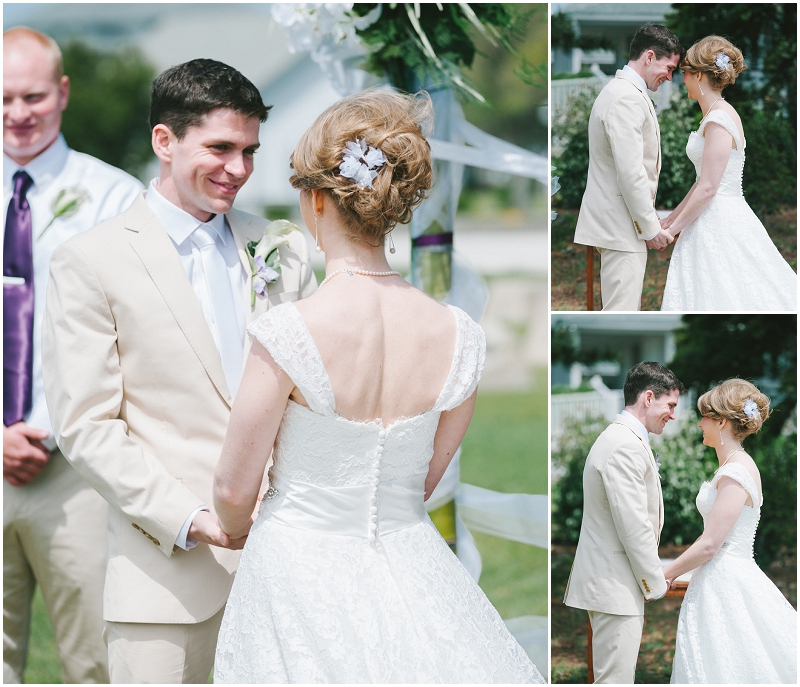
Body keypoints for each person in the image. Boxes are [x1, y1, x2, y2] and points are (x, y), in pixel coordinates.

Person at [212, 89, 543, 683]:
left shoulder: (289, 331)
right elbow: (424, 478)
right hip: (414, 568)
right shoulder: (459, 337)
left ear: (315, 200)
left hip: (298, 576)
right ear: (396, 204)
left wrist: (237, 529)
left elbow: (235, 489)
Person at [41, 59, 316, 683]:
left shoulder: (279, 246)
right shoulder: (89, 260)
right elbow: (87, 426)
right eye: (220, 148)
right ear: (165, 141)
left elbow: (309, 398)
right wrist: (191, 519)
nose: (239, 169)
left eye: (249, 150)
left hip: (282, 574)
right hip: (161, 584)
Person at [3, 27, 143, 683]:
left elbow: (135, 334)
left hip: (76, 468)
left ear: (61, 93)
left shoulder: (114, 198)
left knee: (93, 661)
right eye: (2, 99)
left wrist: (57, 428)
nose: (17, 114)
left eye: (31, 95)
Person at [663, 379, 797, 683]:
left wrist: (666, 573)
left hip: (727, 580)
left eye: (704, 418)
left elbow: (711, 543)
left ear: (721, 422)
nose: (699, 425)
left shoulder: (736, 472)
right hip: (716, 577)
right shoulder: (731, 467)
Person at [564, 362, 685, 683]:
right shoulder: (624, 446)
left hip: (616, 582)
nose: (673, 414)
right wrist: (655, 581)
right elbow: (633, 527)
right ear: (648, 398)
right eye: (670, 405)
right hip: (614, 586)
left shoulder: (625, 439)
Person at [659, 36, 797, 311]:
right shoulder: (715, 115)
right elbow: (701, 182)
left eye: (685, 73)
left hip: (719, 217)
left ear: (698, 75)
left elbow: (710, 187)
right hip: (710, 212)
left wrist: (672, 230)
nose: (682, 79)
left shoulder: (719, 119)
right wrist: (671, 220)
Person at [573, 24, 683, 311]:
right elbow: (630, 172)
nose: (670, 77)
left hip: (619, 223)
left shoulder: (625, 92)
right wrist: (649, 228)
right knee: (620, 308)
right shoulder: (625, 97)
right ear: (649, 57)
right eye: (669, 67)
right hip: (620, 228)